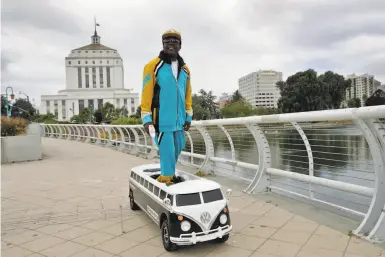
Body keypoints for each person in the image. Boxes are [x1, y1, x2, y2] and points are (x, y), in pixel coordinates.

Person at [141, 29, 193, 185]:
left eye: (174, 41)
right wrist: (146, 118)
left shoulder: (185, 69)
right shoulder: (152, 66)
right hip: (161, 119)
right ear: (162, 44)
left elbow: (187, 94)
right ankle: (166, 179)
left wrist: (189, 115)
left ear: (180, 45)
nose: (171, 44)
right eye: (167, 41)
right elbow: (146, 93)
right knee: (167, 151)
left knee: (179, 147)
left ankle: (168, 174)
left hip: (180, 120)